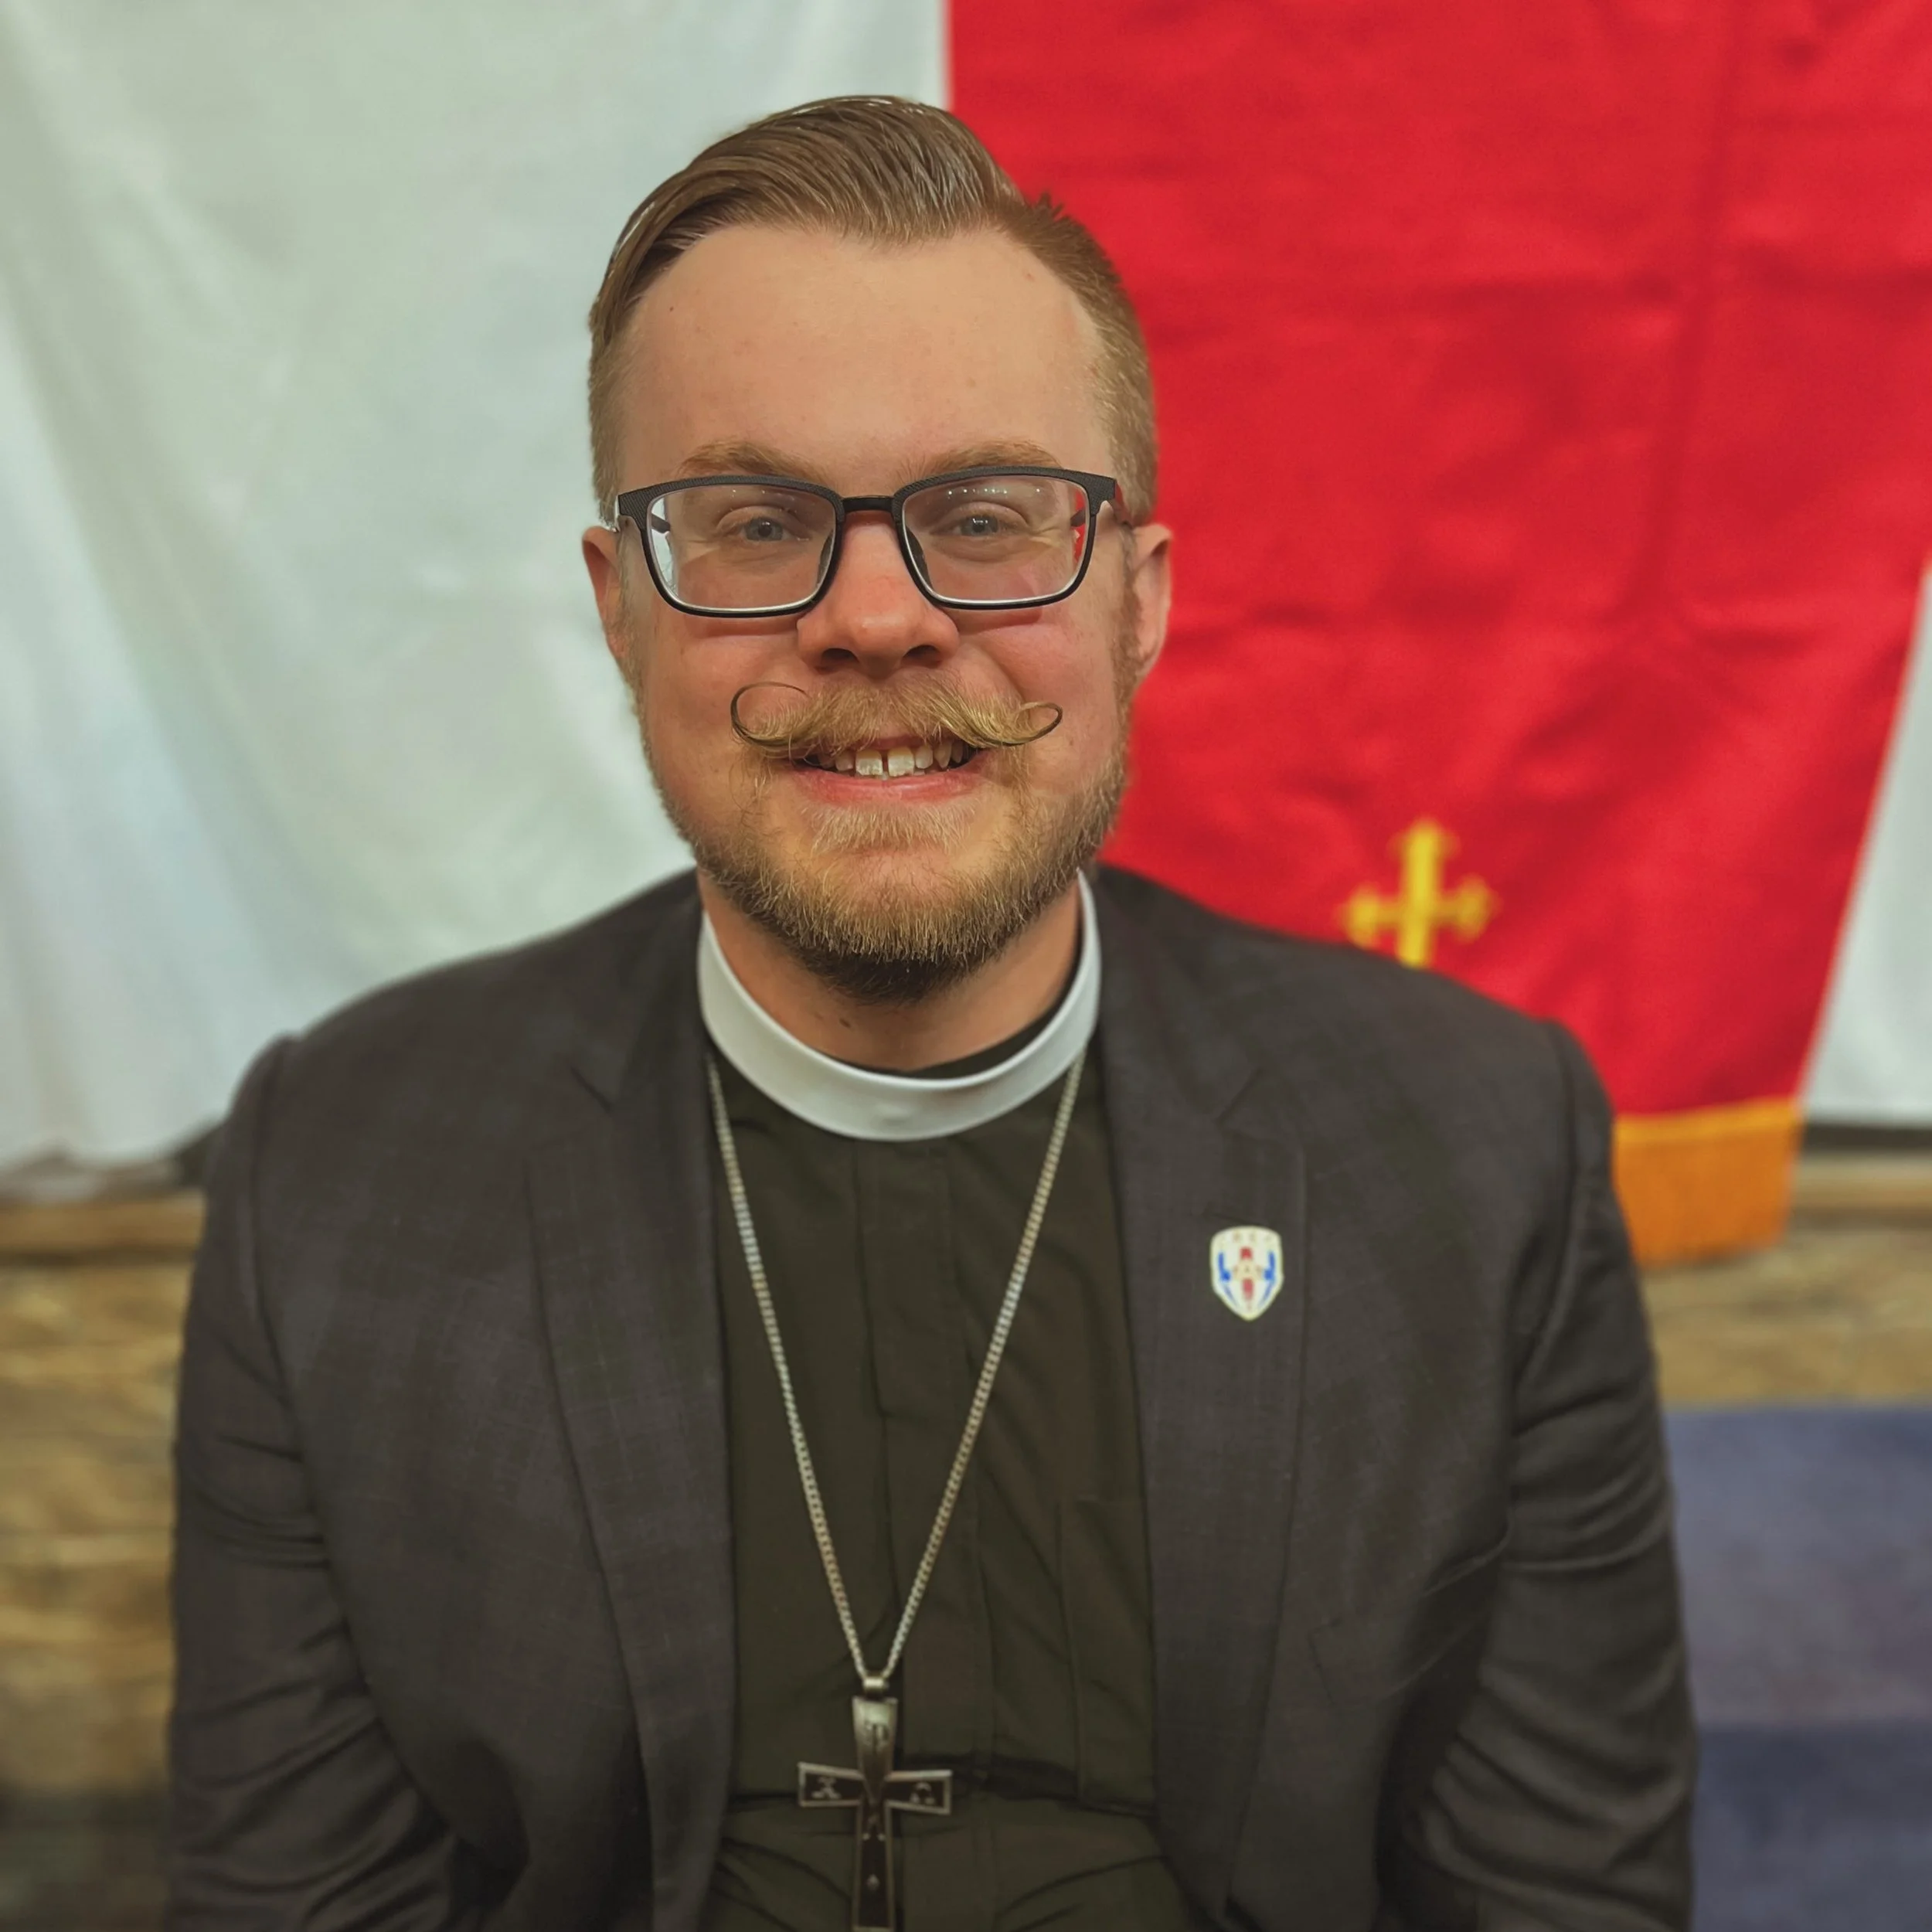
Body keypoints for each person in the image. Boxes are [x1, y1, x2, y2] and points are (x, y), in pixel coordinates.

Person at [167, 97, 1695, 1932]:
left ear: (1136, 604)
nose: (878, 619)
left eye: (982, 518)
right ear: (622, 611)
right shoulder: (340, 1174)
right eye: (753, 523)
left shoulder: (1472, 1151)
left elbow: (1560, 1899)